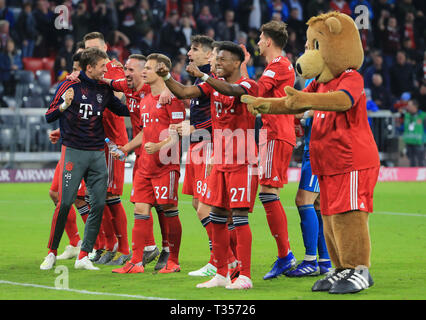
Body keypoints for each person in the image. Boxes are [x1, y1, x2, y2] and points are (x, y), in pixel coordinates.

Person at [156, 41, 259, 289]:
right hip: (220, 158)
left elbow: (233, 90)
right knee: (217, 216)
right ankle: (222, 273)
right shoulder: (211, 85)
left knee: (240, 217)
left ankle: (244, 275)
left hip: (242, 158)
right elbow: (184, 93)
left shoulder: (248, 85)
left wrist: (203, 75)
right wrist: (167, 76)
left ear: (237, 62)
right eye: (216, 59)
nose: (217, 63)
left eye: (222, 59)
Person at [40, 47, 130, 271]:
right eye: (102, 66)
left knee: (98, 203)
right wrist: (65, 105)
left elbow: (122, 110)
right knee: (65, 203)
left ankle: (83, 255)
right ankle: (51, 252)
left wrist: (143, 94)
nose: (105, 70)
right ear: (89, 67)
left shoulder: (102, 87)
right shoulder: (69, 85)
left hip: (97, 153)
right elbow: (49, 115)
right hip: (74, 152)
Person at [234, 20, 299, 280]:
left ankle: (285, 255)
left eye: (260, 38)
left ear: (269, 41)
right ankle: (285, 254)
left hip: (276, 133)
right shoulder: (277, 66)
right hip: (273, 133)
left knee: (268, 191)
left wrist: (241, 67)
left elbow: (257, 92)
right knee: (267, 191)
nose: (258, 42)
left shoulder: (279, 66)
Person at [111, 53, 185, 274]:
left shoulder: (172, 98)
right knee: (140, 210)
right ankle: (136, 261)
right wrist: (127, 148)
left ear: (162, 71)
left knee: (169, 210)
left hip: (165, 165)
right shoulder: (145, 100)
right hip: (145, 165)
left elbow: (178, 133)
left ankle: (173, 260)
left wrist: (160, 146)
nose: (144, 72)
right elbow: (144, 132)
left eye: (149, 68)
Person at [83, 32, 131, 266]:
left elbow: (121, 95)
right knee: (94, 196)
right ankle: (106, 245)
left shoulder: (113, 69)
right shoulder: (87, 71)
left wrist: (102, 81)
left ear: (105, 47)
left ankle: (124, 248)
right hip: (92, 140)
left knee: (111, 195)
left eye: (95, 48)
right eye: (86, 49)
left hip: (112, 140)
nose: (90, 53)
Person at [285, 87, 331, 277]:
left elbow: (326, 104)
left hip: (319, 150)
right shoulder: (316, 80)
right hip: (313, 146)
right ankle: (325, 262)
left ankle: (310, 260)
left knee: (303, 200)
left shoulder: (328, 80)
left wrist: (302, 112)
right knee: (318, 204)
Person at [403, 99, 425, 167]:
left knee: (421, 162)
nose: (407, 107)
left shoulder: (423, 116)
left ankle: (423, 177)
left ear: (415, 106)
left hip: (419, 142)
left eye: (409, 105)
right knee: (412, 162)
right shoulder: (406, 115)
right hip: (409, 142)